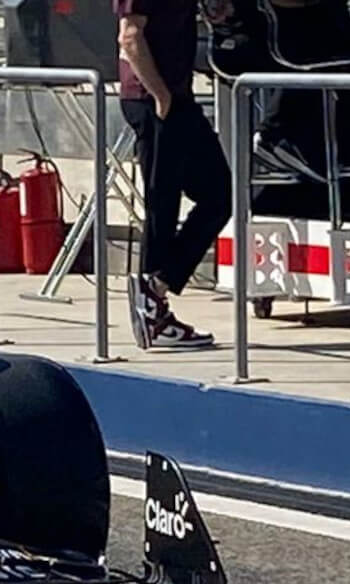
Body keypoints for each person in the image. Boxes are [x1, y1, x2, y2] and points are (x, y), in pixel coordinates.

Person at [116, 0, 224, 349]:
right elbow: (130, 36)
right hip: (152, 97)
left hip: (177, 95)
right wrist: (160, 95)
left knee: (220, 192)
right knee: (162, 201)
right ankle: (151, 310)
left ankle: (158, 284)